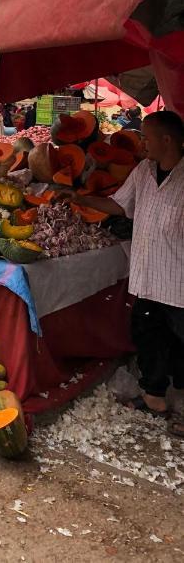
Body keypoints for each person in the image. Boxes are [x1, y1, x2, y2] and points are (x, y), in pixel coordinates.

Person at [61, 111, 184, 437]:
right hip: (146, 276)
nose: (142, 143)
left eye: (146, 137)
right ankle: (154, 398)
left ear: (167, 140)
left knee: (181, 346)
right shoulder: (143, 171)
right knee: (148, 338)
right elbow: (119, 205)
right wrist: (80, 198)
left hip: (179, 282)